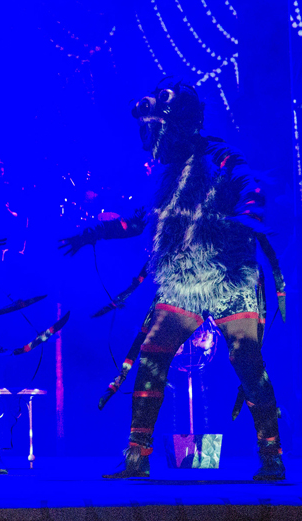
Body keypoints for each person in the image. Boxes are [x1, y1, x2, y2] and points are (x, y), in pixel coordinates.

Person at [60, 82, 285, 480]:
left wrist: (249, 213)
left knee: (248, 361)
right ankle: (136, 456)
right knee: (152, 354)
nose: (149, 140)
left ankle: (272, 457)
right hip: (183, 283)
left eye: (155, 129)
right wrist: (94, 233)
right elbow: (140, 220)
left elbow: (248, 183)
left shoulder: (219, 154)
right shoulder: (166, 177)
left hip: (229, 276)